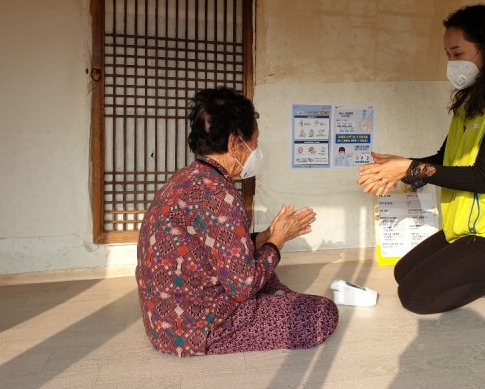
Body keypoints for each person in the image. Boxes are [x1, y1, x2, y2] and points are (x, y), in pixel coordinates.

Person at [357, 4, 485, 318]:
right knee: (402, 272)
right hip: (470, 227)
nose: (452, 63)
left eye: (458, 53)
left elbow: (483, 177)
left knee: (415, 296)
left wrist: (410, 168)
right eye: (448, 55)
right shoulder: (472, 102)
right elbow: (442, 160)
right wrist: (402, 163)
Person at [136, 87, 338, 356]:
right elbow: (243, 286)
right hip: (196, 329)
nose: (255, 150)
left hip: (163, 321)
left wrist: (267, 235)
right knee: (321, 313)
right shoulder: (220, 194)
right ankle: (271, 309)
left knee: (268, 275)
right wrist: (278, 242)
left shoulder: (185, 179)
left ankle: (276, 301)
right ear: (234, 144)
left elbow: (219, 246)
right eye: (254, 141)